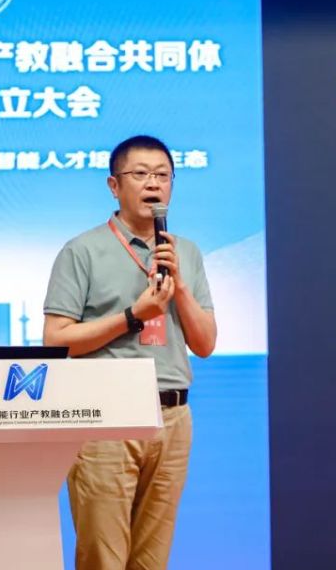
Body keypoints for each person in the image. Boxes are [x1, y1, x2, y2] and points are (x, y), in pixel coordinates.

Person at [43, 135, 217, 570]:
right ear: (114, 185)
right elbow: (56, 339)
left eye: (162, 175)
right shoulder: (82, 250)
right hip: (106, 418)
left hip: (172, 416)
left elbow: (205, 344)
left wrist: (179, 287)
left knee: (152, 559)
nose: (152, 183)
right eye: (140, 174)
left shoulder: (186, 253)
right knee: (104, 556)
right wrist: (134, 316)